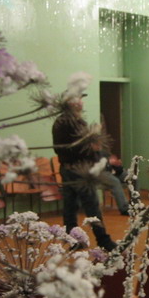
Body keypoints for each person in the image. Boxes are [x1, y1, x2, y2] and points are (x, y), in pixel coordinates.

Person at [52, 94, 117, 251]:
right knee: (91, 207)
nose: (81, 103)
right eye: (78, 99)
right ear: (71, 103)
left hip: (69, 169)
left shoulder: (65, 121)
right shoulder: (70, 122)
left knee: (70, 207)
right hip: (79, 171)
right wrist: (92, 148)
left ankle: (73, 241)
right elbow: (65, 149)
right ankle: (103, 241)